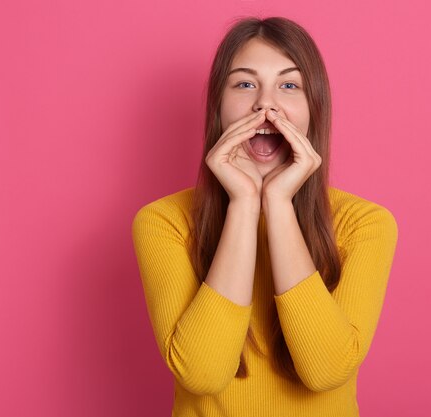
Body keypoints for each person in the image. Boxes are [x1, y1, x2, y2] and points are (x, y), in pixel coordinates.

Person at [132, 16, 398, 417]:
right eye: (244, 84)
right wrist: (243, 204)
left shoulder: (365, 223)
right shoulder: (163, 221)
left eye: (289, 85)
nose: (265, 104)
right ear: (218, 107)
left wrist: (278, 204)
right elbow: (202, 374)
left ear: (314, 108)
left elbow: (326, 371)